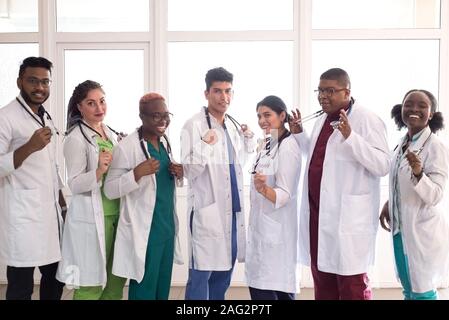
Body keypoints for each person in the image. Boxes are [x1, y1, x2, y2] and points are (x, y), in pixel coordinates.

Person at [290, 68, 390, 300]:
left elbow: (383, 165)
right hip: (319, 216)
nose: (323, 96)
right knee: (323, 284)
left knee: (352, 286)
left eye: (330, 91)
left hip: (348, 221)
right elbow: (319, 156)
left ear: (347, 92)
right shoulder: (322, 119)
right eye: (321, 90)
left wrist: (351, 137)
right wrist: (298, 134)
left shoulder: (367, 119)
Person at [181, 67, 255, 300]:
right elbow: (189, 172)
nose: (224, 97)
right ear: (206, 93)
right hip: (207, 212)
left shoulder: (232, 126)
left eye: (228, 91)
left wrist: (249, 141)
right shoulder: (193, 125)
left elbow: (238, 166)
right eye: (217, 91)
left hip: (232, 212)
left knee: (224, 274)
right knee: (200, 277)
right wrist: (204, 144)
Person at [104, 93, 183, 300]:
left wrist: (178, 172)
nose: (163, 120)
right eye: (156, 116)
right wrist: (136, 173)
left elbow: (165, 184)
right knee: (144, 287)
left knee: (162, 286)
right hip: (145, 230)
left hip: (166, 226)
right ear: (142, 116)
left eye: (166, 115)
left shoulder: (164, 141)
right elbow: (110, 189)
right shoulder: (127, 146)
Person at [0, 56, 65, 300]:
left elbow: (49, 166)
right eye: (33, 81)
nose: (40, 88)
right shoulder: (5, 117)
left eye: (45, 82)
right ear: (19, 82)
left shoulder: (44, 116)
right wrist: (29, 146)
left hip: (50, 217)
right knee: (20, 287)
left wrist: (62, 202)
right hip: (23, 217)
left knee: (55, 281)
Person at [56, 80, 126, 299]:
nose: (99, 108)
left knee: (116, 280)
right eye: (91, 103)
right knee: (90, 284)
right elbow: (74, 184)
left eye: (102, 101)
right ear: (79, 107)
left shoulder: (109, 133)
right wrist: (98, 171)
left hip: (117, 212)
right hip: (93, 218)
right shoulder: (75, 138)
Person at [379, 90, 449, 300]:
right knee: (409, 289)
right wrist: (390, 203)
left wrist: (419, 174)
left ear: (431, 113)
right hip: (402, 229)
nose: (414, 110)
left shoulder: (435, 147)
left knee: (423, 293)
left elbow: (435, 195)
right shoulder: (403, 143)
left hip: (422, 230)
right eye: (408, 104)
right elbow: (400, 181)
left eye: (422, 106)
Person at [245, 95, 301, 300]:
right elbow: (264, 175)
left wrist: (263, 190)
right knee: (265, 289)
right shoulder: (270, 142)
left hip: (276, 234)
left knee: (272, 292)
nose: (262, 121)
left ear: (282, 115)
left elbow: (284, 194)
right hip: (263, 229)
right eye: (259, 116)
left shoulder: (288, 146)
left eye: (267, 115)